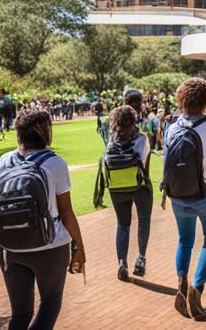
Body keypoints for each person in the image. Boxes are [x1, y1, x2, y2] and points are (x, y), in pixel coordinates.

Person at [0, 109, 86, 330]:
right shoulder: (55, 163)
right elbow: (66, 212)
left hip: (9, 248)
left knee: (20, 315)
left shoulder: (3, 161)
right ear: (46, 132)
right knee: (50, 303)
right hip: (49, 247)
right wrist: (79, 247)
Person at [162, 78, 206, 321]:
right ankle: (196, 289)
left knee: (185, 240)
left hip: (178, 195)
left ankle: (181, 284)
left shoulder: (173, 127)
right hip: (205, 195)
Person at [93, 105, 151, 281]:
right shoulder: (141, 138)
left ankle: (122, 263)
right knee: (143, 220)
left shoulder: (110, 139)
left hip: (116, 187)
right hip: (139, 185)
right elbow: (144, 161)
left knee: (123, 225)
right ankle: (140, 259)